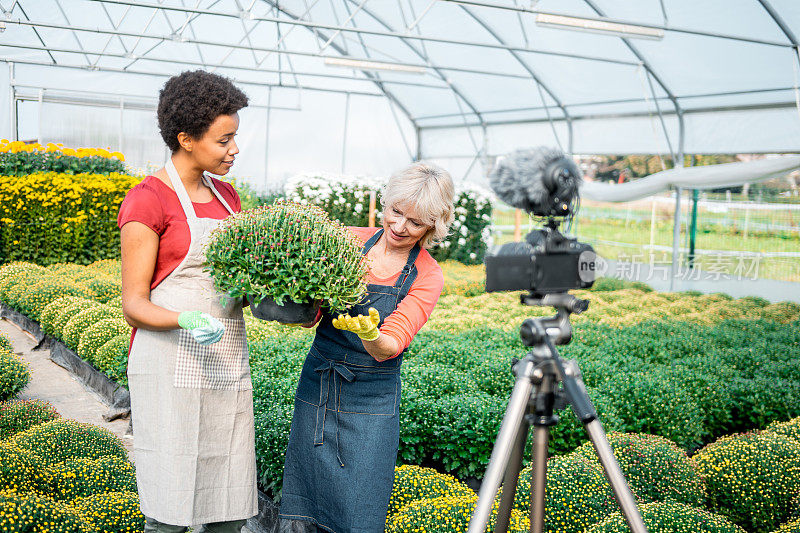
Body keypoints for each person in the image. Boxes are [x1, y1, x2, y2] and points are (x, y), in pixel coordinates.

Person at [278, 162, 456, 532]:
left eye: (415, 222)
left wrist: (372, 335)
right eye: (395, 211)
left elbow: (390, 343)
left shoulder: (426, 274)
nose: (399, 226)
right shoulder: (347, 242)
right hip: (320, 381)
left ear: (433, 227)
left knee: (360, 504)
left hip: (372, 398)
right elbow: (311, 313)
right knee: (304, 494)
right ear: (385, 203)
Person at [118, 70, 257, 533]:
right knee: (171, 498)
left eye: (235, 137)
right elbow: (133, 304)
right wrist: (184, 318)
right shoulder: (148, 201)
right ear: (186, 139)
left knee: (228, 497)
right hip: (169, 359)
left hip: (224, 358)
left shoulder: (228, 198)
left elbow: (240, 278)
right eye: (224, 140)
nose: (234, 149)